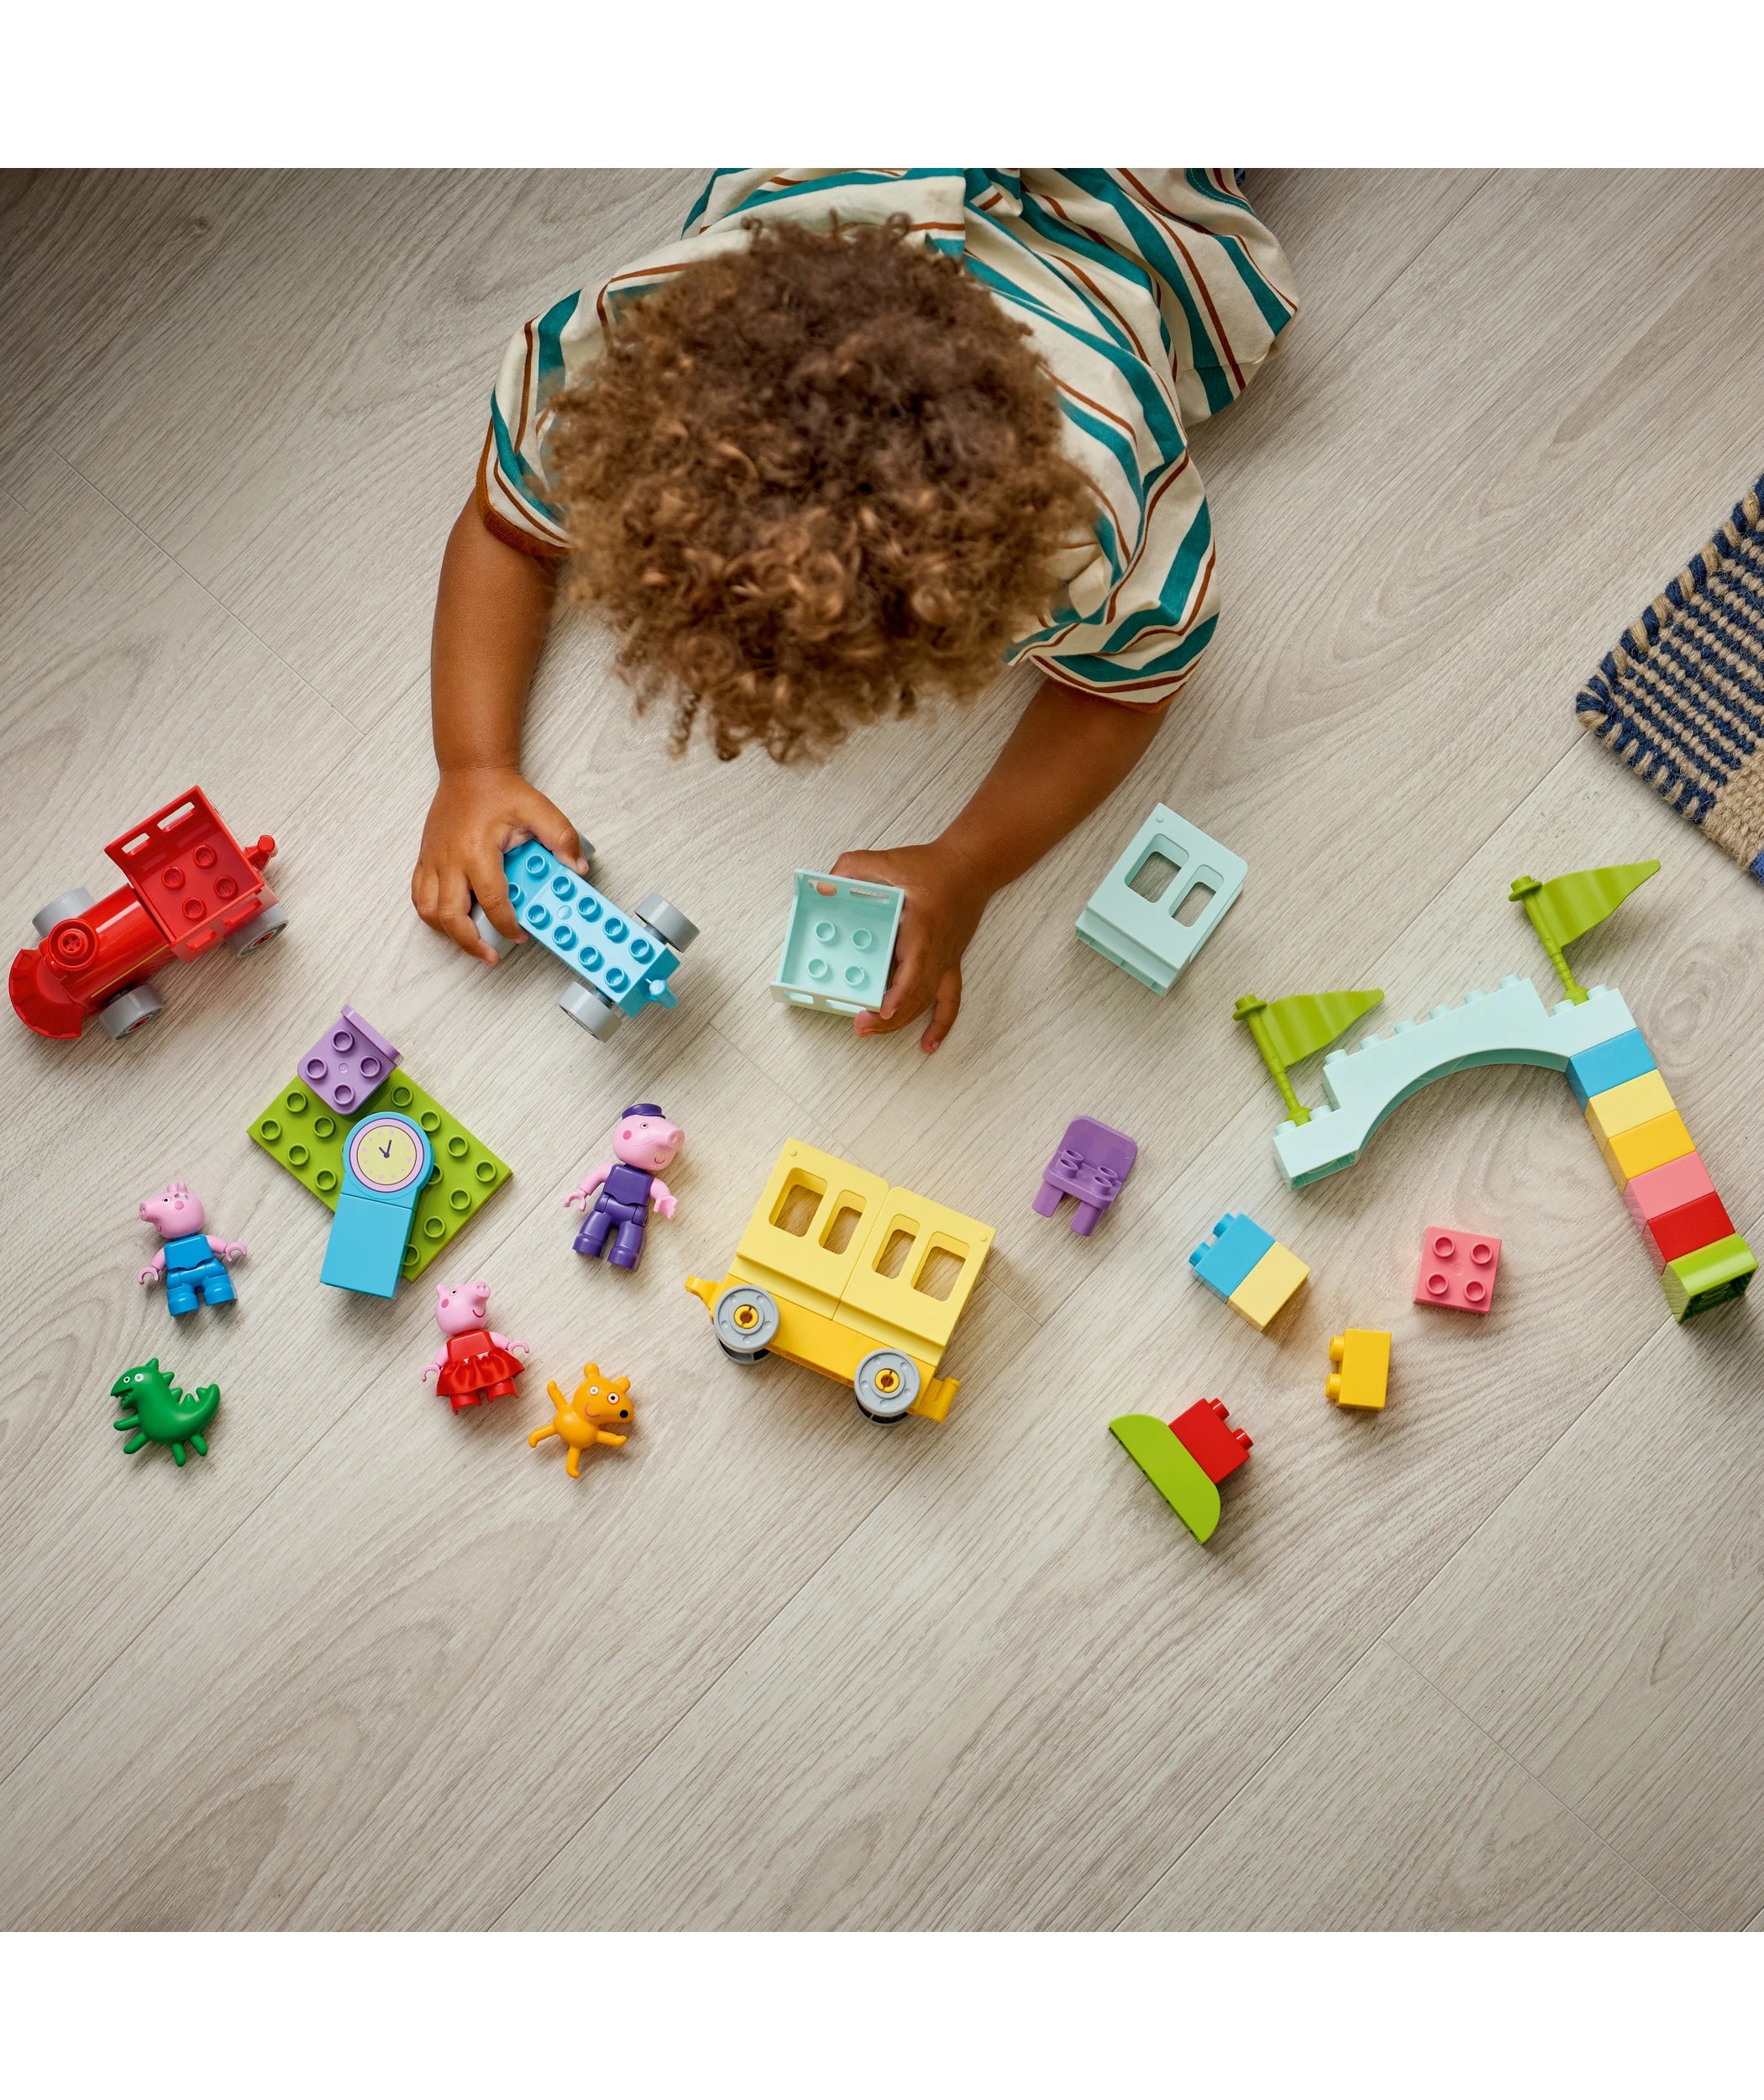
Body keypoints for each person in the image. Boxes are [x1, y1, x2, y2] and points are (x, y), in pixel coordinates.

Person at [412, 169, 1295, 1051]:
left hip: (1136, 219)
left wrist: (971, 863)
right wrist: (472, 764)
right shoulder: (628, 344)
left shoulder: (1089, 506)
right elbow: (509, 524)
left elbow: (1129, 686)